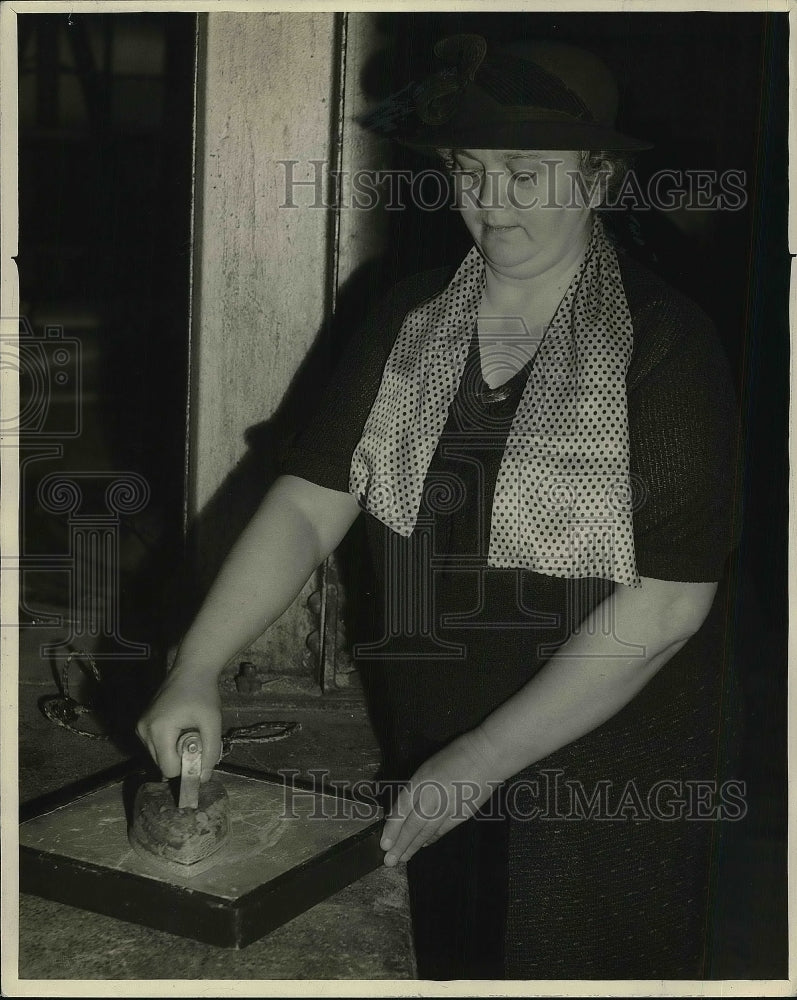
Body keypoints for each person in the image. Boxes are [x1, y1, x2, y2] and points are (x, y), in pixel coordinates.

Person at [137, 35, 740, 980]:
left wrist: (487, 755)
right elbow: (309, 502)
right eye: (469, 169)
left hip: (596, 777)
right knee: (445, 954)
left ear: (596, 179)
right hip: (430, 749)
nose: (491, 201)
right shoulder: (407, 320)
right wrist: (199, 663)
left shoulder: (666, 349)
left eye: (524, 172)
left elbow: (668, 606)